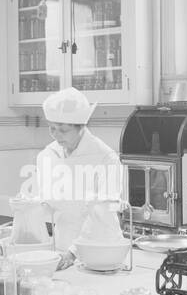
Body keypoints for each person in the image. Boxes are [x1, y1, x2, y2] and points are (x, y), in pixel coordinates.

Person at [33, 87, 123, 268]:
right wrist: (28, 210)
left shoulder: (105, 158)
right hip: (60, 250)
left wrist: (73, 252)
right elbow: (48, 204)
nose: (56, 135)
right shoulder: (48, 155)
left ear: (81, 128)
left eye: (63, 130)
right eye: (52, 129)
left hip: (100, 251)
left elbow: (103, 213)